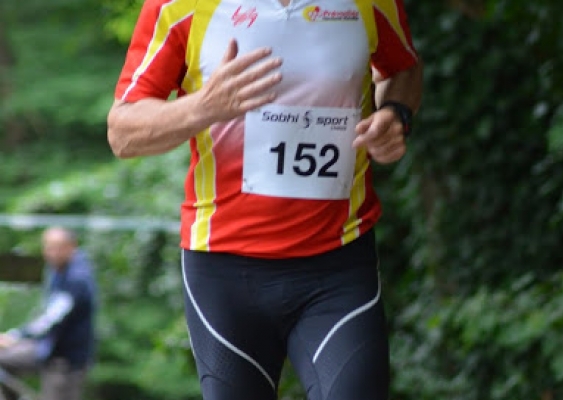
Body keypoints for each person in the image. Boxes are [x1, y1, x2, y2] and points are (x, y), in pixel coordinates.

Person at [107, 1, 422, 399]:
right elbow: (123, 132)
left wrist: (395, 113)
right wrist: (203, 107)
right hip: (224, 270)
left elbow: (403, 68)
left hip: (337, 263)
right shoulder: (179, 6)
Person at [0, 227, 97, 400]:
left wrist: (16, 336)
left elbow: (52, 318)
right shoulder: (58, 269)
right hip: (47, 347)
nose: (52, 253)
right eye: (48, 247)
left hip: (65, 359)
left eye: (58, 247)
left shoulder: (76, 278)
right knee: (4, 359)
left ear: (71, 247)